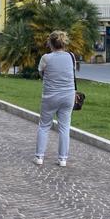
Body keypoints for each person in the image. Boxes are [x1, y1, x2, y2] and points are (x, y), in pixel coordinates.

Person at [34, 31, 77, 168]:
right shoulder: (71, 56)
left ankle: (39, 156)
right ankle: (63, 159)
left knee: (44, 126)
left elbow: (41, 72)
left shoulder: (46, 58)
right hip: (68, 95)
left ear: (50, 43)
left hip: (50, 96)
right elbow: (72, 70)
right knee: (64, 127)